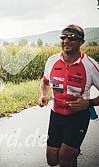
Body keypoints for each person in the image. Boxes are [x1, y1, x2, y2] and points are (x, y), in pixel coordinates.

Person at [38, 24, 99, 167]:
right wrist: (43, 95)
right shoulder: (52, 61)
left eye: (72, 37)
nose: (66, 40)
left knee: (65, 160)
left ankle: (71, 153)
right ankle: (73, 152)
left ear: (81, 42)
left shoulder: (90, 66)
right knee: (52, 160)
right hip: (56, 115)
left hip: (78, 117)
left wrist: (88, 103)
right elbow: (45, 82)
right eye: (63, 37)